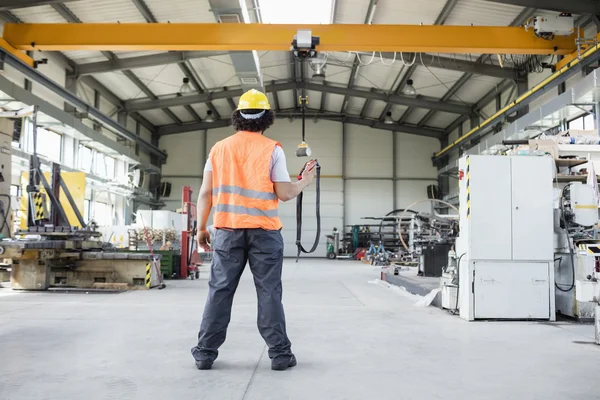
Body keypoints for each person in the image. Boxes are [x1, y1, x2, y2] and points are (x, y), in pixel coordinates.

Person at [190, 89, 317, 371]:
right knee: (269, 292)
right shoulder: (272, 149)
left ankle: (205, 353)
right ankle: (280, 355)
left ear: (238, 117)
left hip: (227, 231)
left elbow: (206, 192)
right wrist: (305, 181)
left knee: (219, 292)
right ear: (266, 118)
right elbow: (284, 193)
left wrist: (200, 228)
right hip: (264, 233)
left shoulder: (218, 149)